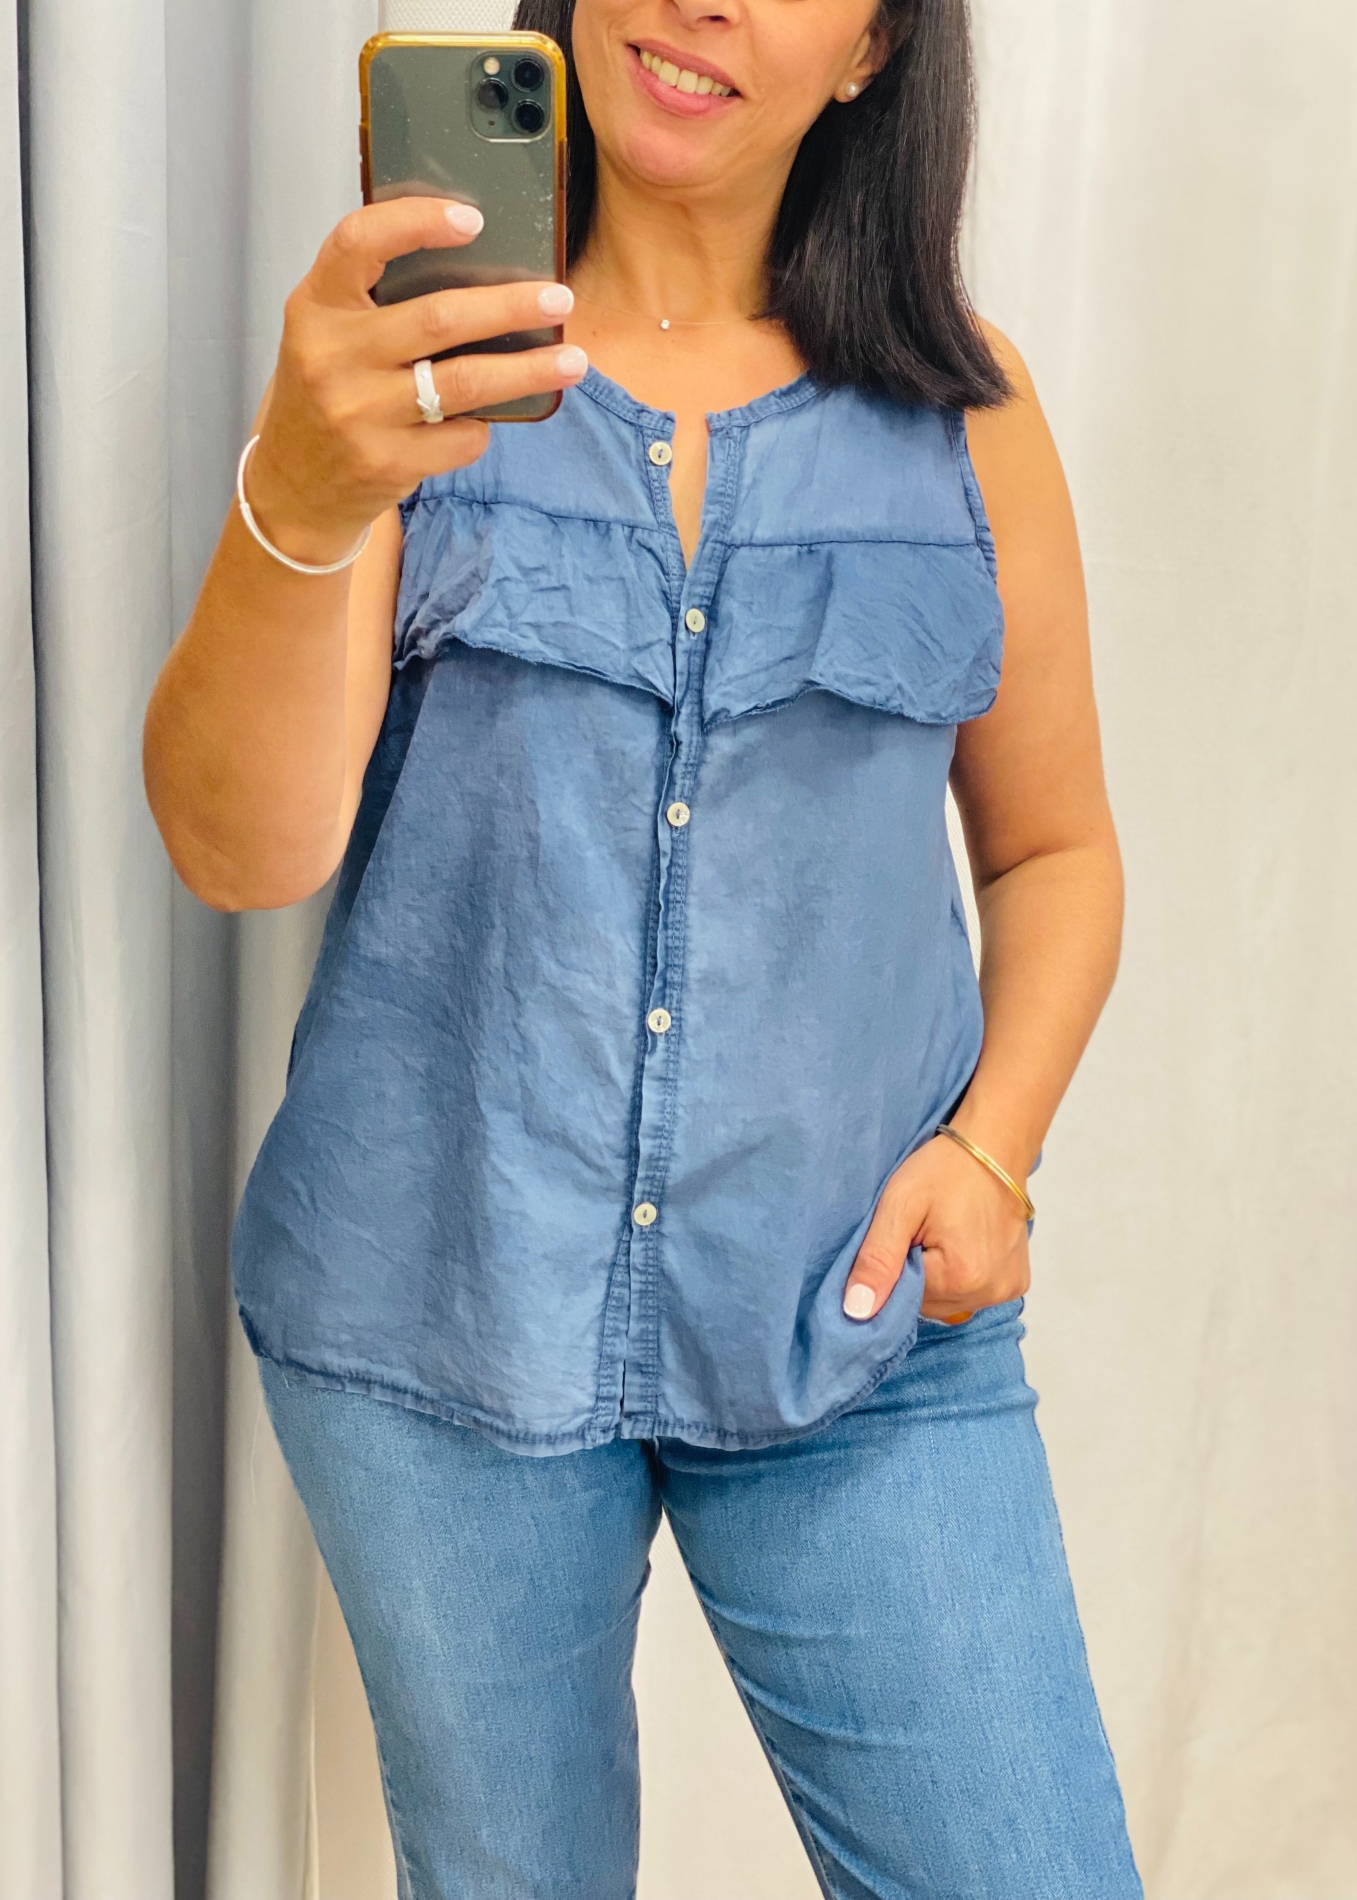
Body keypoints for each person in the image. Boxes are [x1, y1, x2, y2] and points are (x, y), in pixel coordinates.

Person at [145, 0, 1140, 1890]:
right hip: (437, 1312)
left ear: (873, 50)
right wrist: (308, 493)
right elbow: (237, 850)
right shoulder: (405, 384)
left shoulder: (968, 417)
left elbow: (1056, 851)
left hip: (855, 1324)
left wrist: (993, 1151)